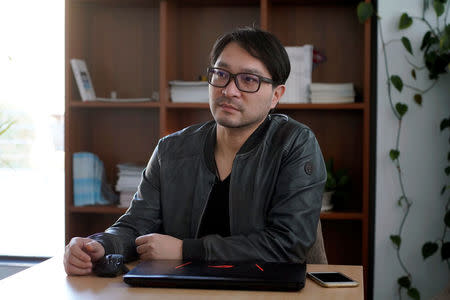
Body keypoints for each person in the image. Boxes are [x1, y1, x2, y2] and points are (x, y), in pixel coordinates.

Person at [64, 26, 326, 276]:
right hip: (182, 288)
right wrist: (100, 246)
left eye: (249, 80)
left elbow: (288, 245)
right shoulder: (171, 150)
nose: (229, 90)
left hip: (265, 290)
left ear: (275, 96)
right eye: (221, 74)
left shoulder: (294, 145)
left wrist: (184, 250)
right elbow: (136, 224)